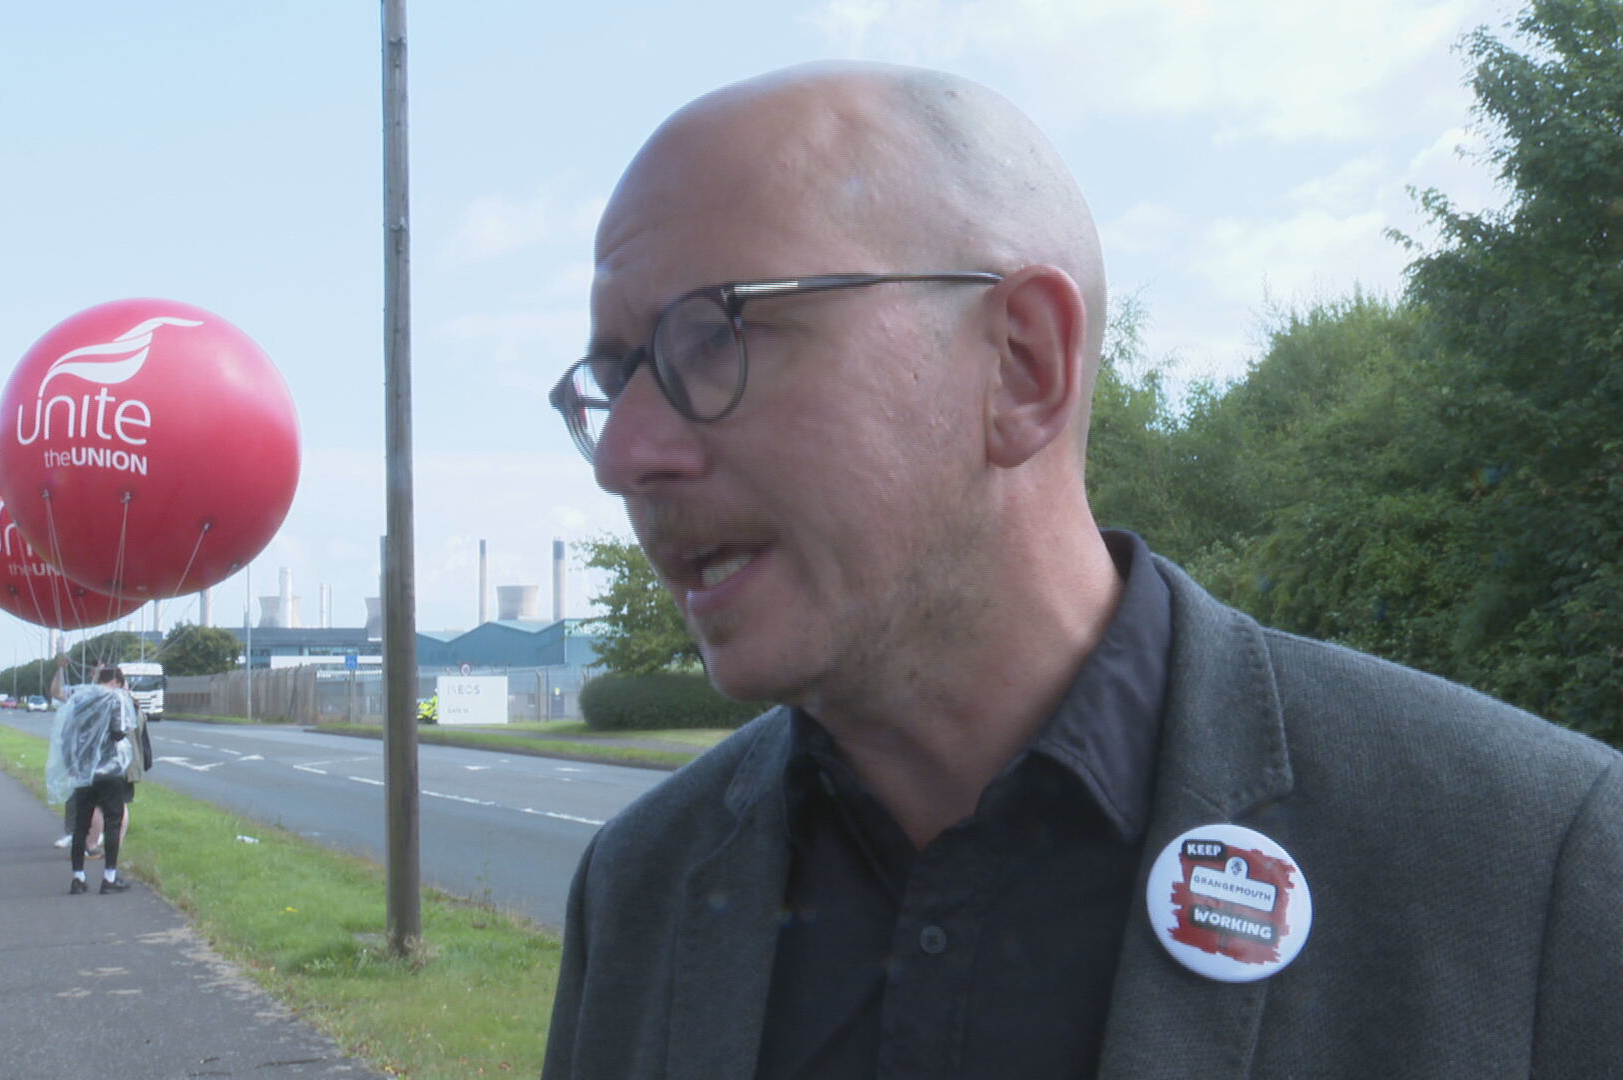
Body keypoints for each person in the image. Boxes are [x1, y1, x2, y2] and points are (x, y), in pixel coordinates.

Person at [541, 61, 1623, 1079]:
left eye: (713, 338)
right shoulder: (641, 887)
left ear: (1021, 365)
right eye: (614, 377)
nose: (629, 456)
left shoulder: (1535, 873)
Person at [46, 664, 141, 895]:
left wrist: (71, 764)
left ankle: (78, 877)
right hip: (110, 771)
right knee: (112, 822)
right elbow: (119, 732)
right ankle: (109, 877)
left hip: (83, 771)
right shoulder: (115, 699)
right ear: (117, 681)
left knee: (81, 825)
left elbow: (67, 733)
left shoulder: (80, 698)